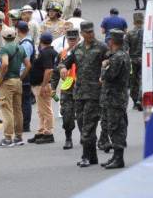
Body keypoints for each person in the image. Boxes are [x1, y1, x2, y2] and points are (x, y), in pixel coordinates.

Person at [58, 21, 109, 167]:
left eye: (92, 31)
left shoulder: (101, 47)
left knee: (88, 126)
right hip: (79, 94)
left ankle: (86, 156)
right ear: (82, 34)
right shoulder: (77, 49)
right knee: (82, 124)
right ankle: (93, 157)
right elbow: (65, 62)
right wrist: (63, 68)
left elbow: (111, 59)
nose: (90, 34)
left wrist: (106, 63)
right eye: (87, 32)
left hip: (94, 93)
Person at [100, 29, 130, 169]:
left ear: (112, 41)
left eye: (109, 40)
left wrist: (104, 67)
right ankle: (115, 157)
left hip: (115, 98)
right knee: (114, 126)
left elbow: (108, 76)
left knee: (116, 127)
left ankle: (119, 158)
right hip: (116, 97)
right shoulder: (121, 55)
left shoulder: (117, 57)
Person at [0, 26, 30, 147]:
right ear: (15, 36)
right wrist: (21, 77)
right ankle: (18, 136)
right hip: (17, 81)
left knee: (6, 109)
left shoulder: (4, 49)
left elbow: (5, 63)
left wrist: (0, 78)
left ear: (3, 37)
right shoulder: (20, 47)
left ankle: (8, 138)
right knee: (18, 110)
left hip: (7, 82)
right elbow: (28, 65)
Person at [52, 28, 80, 149]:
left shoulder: (84, 52)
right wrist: (53, 88)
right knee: (67, 115)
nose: (72, 41)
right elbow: (55, 72)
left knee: (84, 116)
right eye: (70, 39)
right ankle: (68, 138)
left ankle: (86, 137)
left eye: (74, 39)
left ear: (78, 39)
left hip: (83, 87)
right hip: (67, 88)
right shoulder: (62, 54)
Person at [28, 33, 58, 144]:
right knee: (41, 110)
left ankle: (48, 133)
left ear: (41, 41)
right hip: (40, 84)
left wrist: (44, 85)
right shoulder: (50, 52)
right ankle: (41, 131)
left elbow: (48, 70)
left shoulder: (46, 53)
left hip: (42, 85)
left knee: (46, 110)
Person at [16, 22, 35, 133]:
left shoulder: (25, 44)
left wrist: (20, 77)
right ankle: (24, 124)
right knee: (24, 100)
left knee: (25, 101)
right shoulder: (27, 41)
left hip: (25, 76)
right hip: (27, 75)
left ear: (18, 30)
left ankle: (25, 125)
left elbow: (25, 63)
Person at [125, 12, 144, 110]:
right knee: (142, 80)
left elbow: (125, 49)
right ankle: (140, 99)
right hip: (144, 60)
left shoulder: (129, 33)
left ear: (133, 22)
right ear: (143, 21)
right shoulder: (147, 33)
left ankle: (135, 101)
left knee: (133, 81)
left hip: (132, 60)